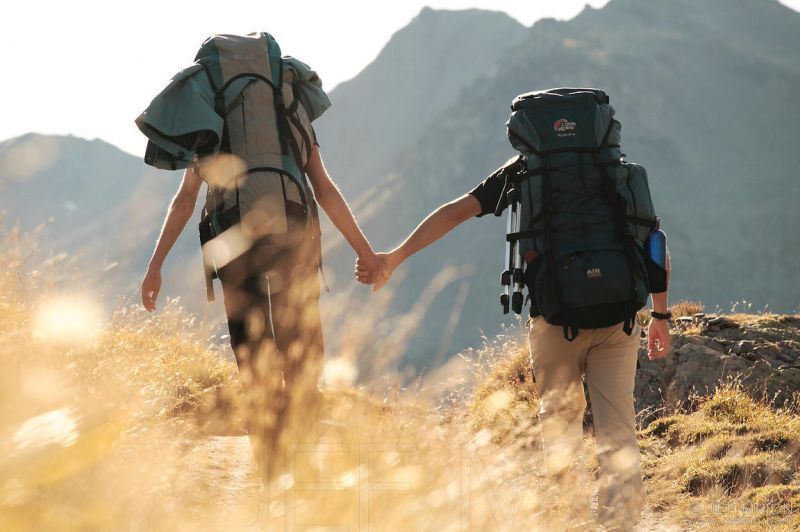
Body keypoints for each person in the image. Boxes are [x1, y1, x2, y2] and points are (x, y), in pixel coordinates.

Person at [355, 162, 671, 528]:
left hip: (554, 321)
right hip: (619, 319)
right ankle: (623, 523)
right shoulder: (616, 168)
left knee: (560, 425)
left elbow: (455, 212)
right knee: (618, 428)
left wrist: (393, 258)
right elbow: (654, 242)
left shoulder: (526, 169)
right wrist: (660, 315)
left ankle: (570, 520)